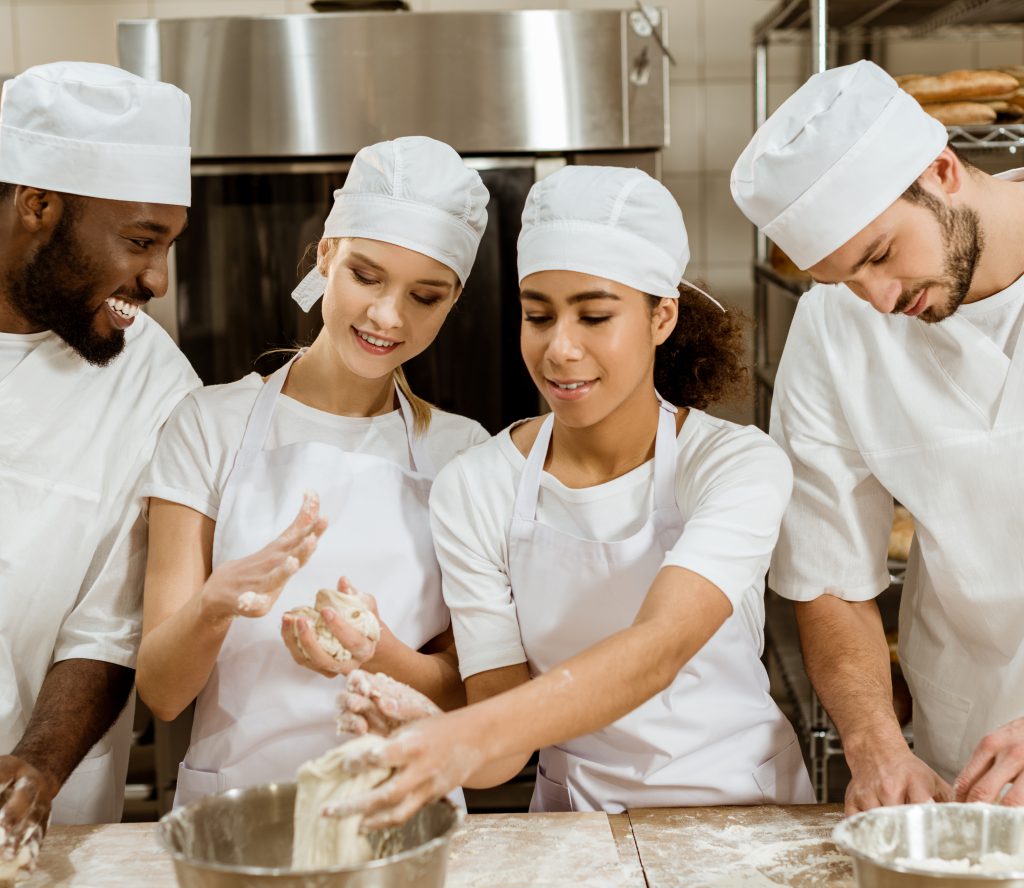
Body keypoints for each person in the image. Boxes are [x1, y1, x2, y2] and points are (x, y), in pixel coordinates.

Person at [325, 165, 814, 827]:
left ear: (661, 316)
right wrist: (429, 731)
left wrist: (464, 735)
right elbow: (501, 751)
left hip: (742, 814)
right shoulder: (477, 487)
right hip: (574, 826)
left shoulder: (733, 464)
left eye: (594, 316)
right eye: (538, 316)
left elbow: (660, 646)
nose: (560, 349)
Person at [136, 137, 489, 806]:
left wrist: (377, 651)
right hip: (236, 814)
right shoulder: (208, 425)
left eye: (425, 296)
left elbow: (476, 692)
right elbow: (162, 692)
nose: (389, 316)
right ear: (326, 255)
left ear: (453, 302)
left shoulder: (463, 455)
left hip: (400, 809)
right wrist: (222, 598)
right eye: (366, 275)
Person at [730, 60, 1024, 813]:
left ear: (943, 168)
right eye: (845, 279)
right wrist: (876, 746)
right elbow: (828, 576)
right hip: (970, 755)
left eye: (881, 255)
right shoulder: (836, 328)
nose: (882, 301)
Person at [0, 63, 198, 871]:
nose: (154, 280)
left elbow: (111, 628)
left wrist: (36, 770)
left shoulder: (157, 387)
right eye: (141, 241)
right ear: (38, 206)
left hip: (38, 837)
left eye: (168, 247)